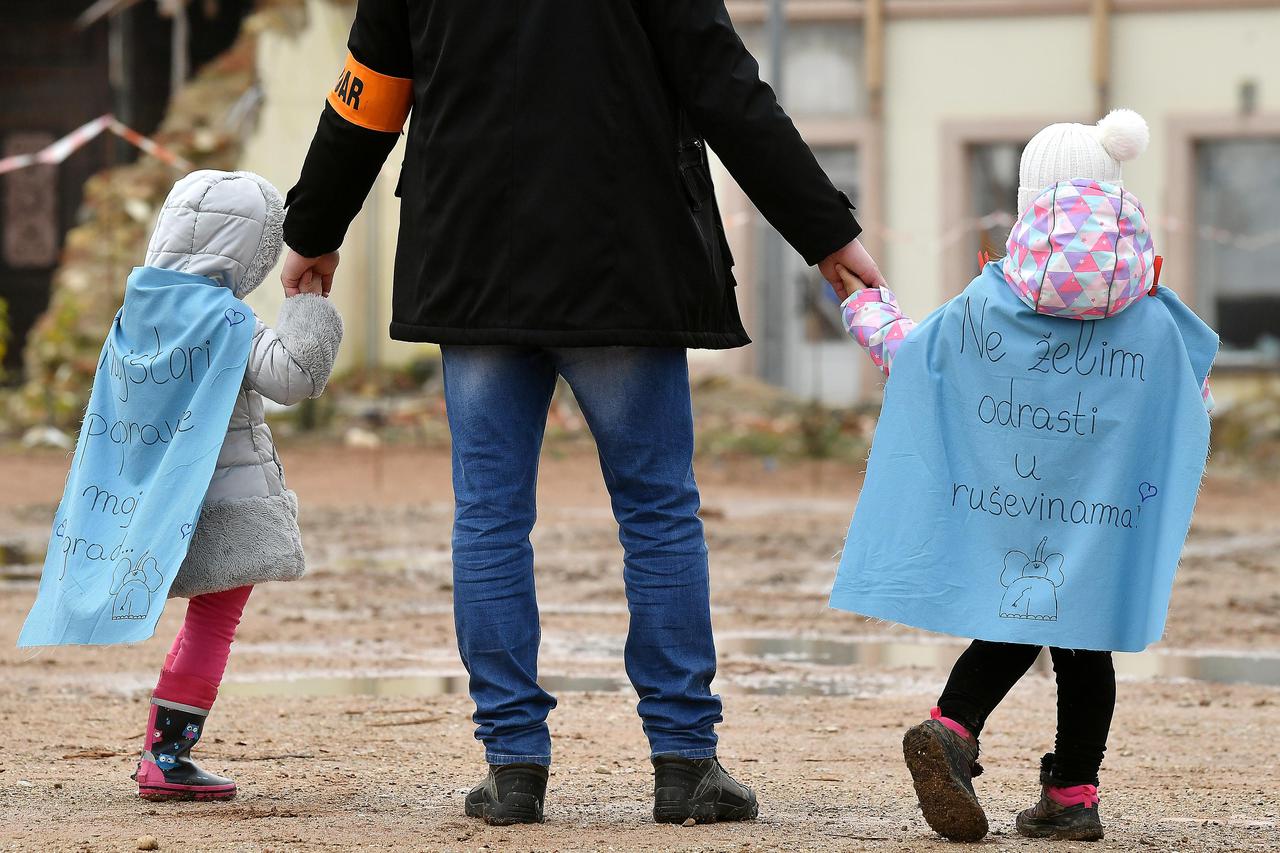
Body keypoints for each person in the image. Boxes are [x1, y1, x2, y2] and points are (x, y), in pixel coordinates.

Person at [280, 0, 884, 827]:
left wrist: (314, 224)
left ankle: (513, 767)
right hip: (621, 261)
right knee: (659, 510)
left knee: (489, 514)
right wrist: (827, 233)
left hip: (471, 260)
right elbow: (724, 88)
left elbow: (368, 94)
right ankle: (684, 762)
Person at [831, 111, 1217, 842]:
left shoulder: (990, 302)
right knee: (1084, 638)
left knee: (1015, 612)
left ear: (1029, 206)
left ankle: (953, 726)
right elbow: (1191, 402)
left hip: (1006, 500)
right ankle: (1071, 794)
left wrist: (862, 302)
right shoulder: (1154, 317)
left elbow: (913, 358)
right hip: (1103, 516)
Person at [18, 170, 344, 802]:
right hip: (228, 506)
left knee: (200, 622)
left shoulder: (134, 315)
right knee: (210, 625)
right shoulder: (226, 321)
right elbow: (294, 376)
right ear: (252, 250)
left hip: (148, 505)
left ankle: (164, 755)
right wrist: (308, 305)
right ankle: (165, 755)